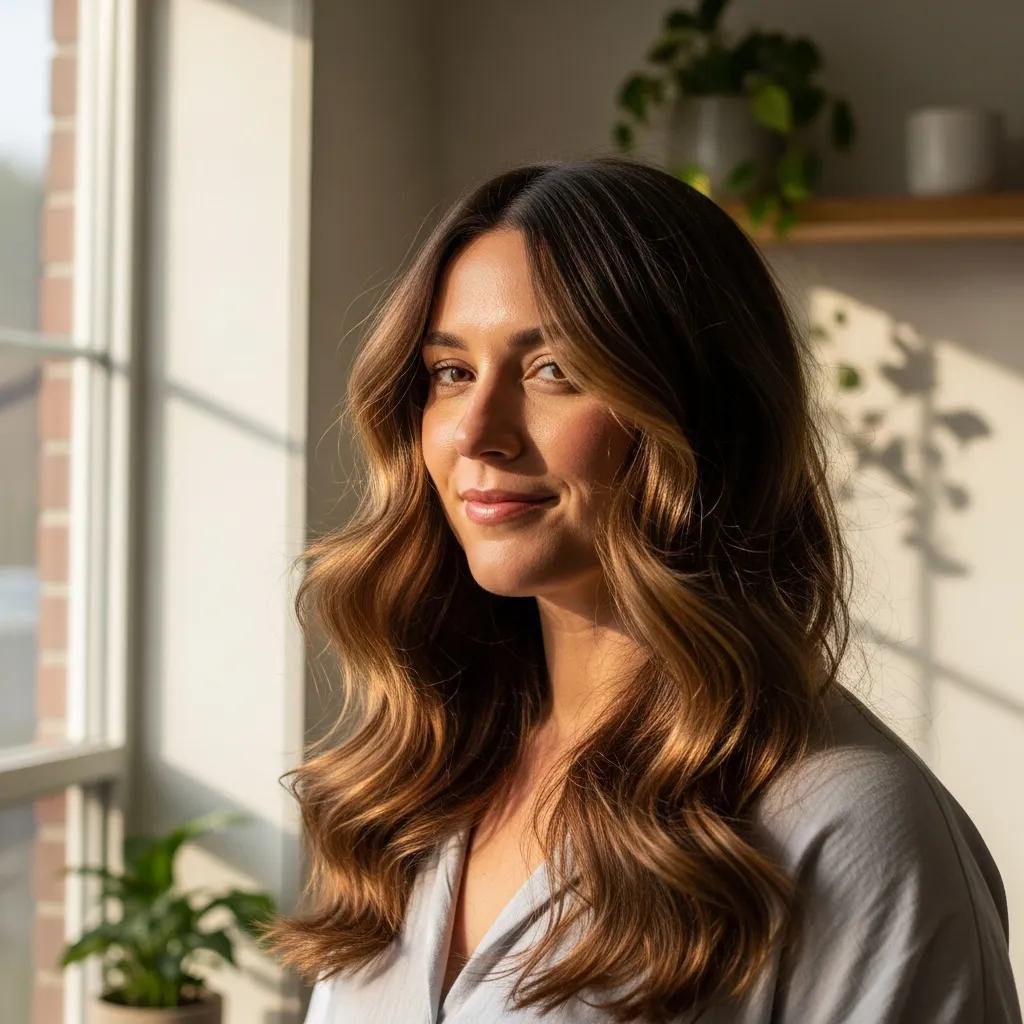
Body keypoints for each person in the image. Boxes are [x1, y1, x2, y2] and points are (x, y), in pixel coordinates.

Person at [262, 157, 1022, 1023]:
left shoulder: (850, 825)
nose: (476, 431)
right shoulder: (422, 775)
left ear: (698, 413)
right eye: (451, 372)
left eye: (553, 370)